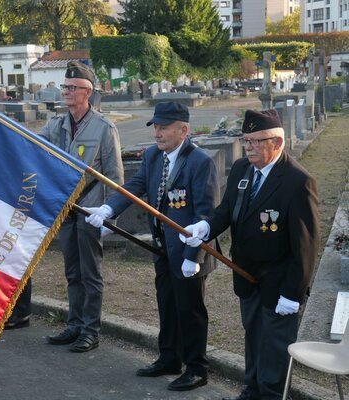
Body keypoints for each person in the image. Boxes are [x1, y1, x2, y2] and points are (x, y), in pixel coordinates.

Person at [180, 109, 320, 400]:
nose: (249, 147)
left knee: (275, 344)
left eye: (257, 141)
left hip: (280, 282)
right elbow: (226, 211)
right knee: (253, 336)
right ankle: (252, 388)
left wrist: (293, 294)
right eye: (246, 140)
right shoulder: (243, 169)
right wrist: (205, 227)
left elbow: (306, 245)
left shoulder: (297, 181)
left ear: (277, 143)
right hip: (247, 275)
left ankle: (270, 394)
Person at [85, 101, 219, 390]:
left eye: (163, 128)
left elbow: (205, 214)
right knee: (167, 304)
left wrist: (193, 255)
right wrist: (109, 209)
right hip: (163, 249)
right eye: (155, 127)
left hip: (189, 253)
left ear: (183, 130)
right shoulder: (153, 157)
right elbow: (135, 186)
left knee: (190, 310)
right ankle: (169, 357)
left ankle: (196, 367)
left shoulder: (200, 162)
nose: (157, 133)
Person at [32, 61, 124, 352]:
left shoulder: (103, 127)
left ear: (87, 92)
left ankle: (90, 330)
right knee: (72, 271)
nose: (67, 92)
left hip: (91, 209)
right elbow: (32, 145)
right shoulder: (56, 125)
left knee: (90, 273)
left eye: (73, 88)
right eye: (65, 87)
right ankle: (74, 325)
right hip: (66, 210)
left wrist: (110, 217)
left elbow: (115, 176)